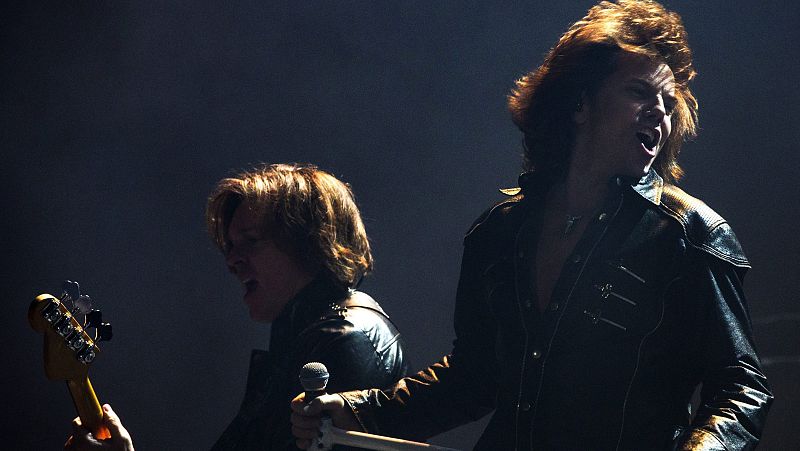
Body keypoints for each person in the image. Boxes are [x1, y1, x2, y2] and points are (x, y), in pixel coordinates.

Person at [291, 1, 772, 450]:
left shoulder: (690, 234)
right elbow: (471, 379)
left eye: (668, 102)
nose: (660, 112)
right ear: (580, 104)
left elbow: (742, 387)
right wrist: (361, 410)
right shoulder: (498, 233)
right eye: (638, 92)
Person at [66, 163, 408, 450]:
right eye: (229, 246)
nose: (231, 260)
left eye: (251, 241)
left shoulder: (344, 339)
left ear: (310, 241)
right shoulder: (315, 333)